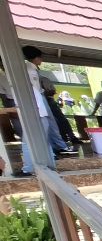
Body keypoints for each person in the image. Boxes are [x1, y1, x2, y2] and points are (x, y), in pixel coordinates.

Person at [17, 46, 59, 176]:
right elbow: (34, 91)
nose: (41, 60)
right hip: (35, 110)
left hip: (36, 109)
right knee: (32, 139)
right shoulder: (29, 70)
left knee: (36, 139)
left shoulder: (28, 69)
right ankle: (31, 167)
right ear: (36, 58)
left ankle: (44, 166)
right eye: (40, 57)